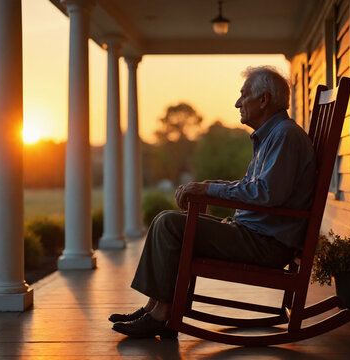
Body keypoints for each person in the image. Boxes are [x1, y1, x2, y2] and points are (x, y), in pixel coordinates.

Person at [109, 66, 317, 339]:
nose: (237, 103)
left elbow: (266, 195)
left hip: (265, 243)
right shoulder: (274, 135)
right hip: (255, 234)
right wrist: (209, 187)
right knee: (163, 219)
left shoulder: (284, 136)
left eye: (244, 96)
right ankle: (154, 307)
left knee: (171, 225)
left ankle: (161, 314)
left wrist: (208, 189)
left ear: (263, 100)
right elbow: (253, 187)